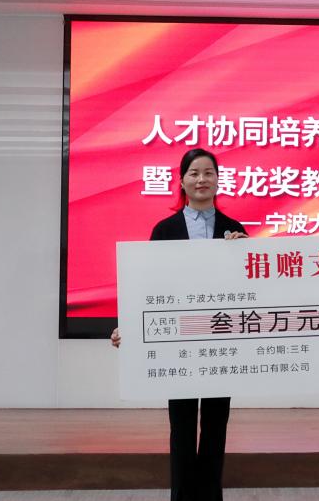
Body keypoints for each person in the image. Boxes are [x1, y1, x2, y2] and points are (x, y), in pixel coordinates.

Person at [111, 147, 248, 501]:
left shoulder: (234, 230)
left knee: (216, 426)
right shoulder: (165, 229)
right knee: (182, 427)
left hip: (220, 341)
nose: (202, 179)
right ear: (182, 181)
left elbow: (248, 290)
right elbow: (147, 287)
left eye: (208, 173)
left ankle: (211, 496)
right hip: (179, 344)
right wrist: (129, 326)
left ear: (218, 180)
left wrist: (245, 253)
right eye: (194, 173)